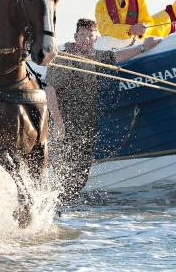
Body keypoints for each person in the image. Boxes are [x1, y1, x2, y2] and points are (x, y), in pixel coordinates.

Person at [44, 18, 159, 203]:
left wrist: (143, 48)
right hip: (64, 128)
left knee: (79, 180)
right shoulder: (64, 58)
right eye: (82, 35)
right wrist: (58, 122)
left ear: (96, 37)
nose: (86, 39)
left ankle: (65, 215)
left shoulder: (95, 56)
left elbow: (116, 57)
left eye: (90, 35)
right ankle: (51, 210)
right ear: (75, 36)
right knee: (61, 175)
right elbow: (50, 90)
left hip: (86, 129)